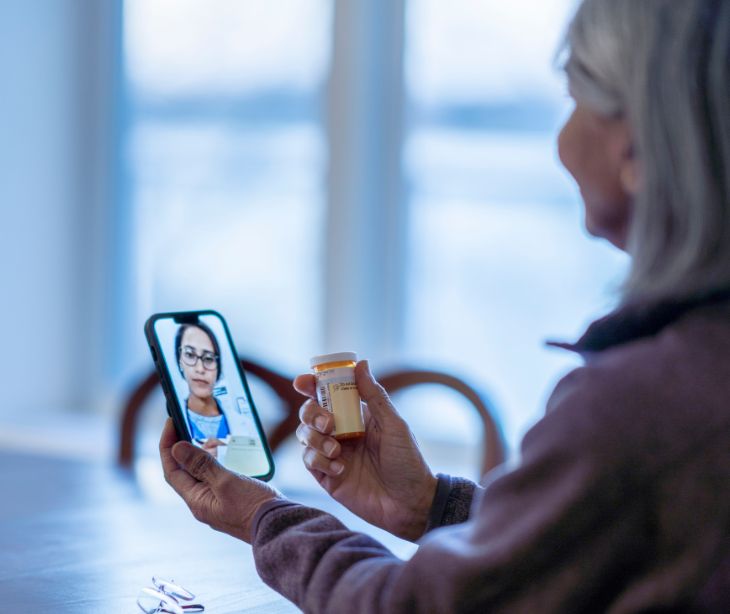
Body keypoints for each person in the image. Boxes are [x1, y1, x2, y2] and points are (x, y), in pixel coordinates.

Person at [159, 0, 730, 610]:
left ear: (638, 146)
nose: (561, 139)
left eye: (576, 98)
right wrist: (432, 505)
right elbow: (589, 547)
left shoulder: (638, 408)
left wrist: (263, 518)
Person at [175, 322, 230, 457]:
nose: (200, 369)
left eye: (209, 358)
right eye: (190, 355)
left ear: (219, 366)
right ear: (180, 362)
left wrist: (227, 453)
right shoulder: (174, 422)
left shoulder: (239, 419)